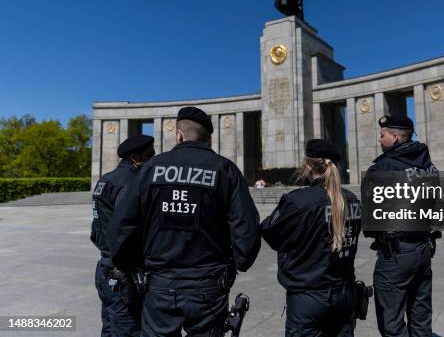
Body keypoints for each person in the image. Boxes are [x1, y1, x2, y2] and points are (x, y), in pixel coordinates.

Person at [108, 106, 261, 337]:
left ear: (179, 134)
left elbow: (122, 224)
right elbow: (246, 226)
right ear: (209, 137)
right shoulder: (224, 169)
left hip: (159, 281)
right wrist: (239, 262)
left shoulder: (152, 167)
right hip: (208, 284)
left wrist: (131, 265)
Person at [262, 139, 361, 337]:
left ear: (308, 167)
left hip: (308, 297)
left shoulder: (298, 200)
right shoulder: (352, 199)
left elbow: (269, 232)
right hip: (344, 294)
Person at [366, 114, 437, 337]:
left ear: (395, 137)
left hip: (396, 254)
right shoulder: (428, 164)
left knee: (392, 324)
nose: (380, 139)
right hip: (423, 249)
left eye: (383, 134)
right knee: (421, 317)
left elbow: (371, 223)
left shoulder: (382, 168)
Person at [91, 134, 155, 337]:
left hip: (106, 268)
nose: (154, 159)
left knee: (110, 328)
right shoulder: (131, 182)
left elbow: (96, 231)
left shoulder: (106, 180)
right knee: (128, 330)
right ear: (135, 157)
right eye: (150, 155)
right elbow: (126, 230)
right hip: (124, 275)